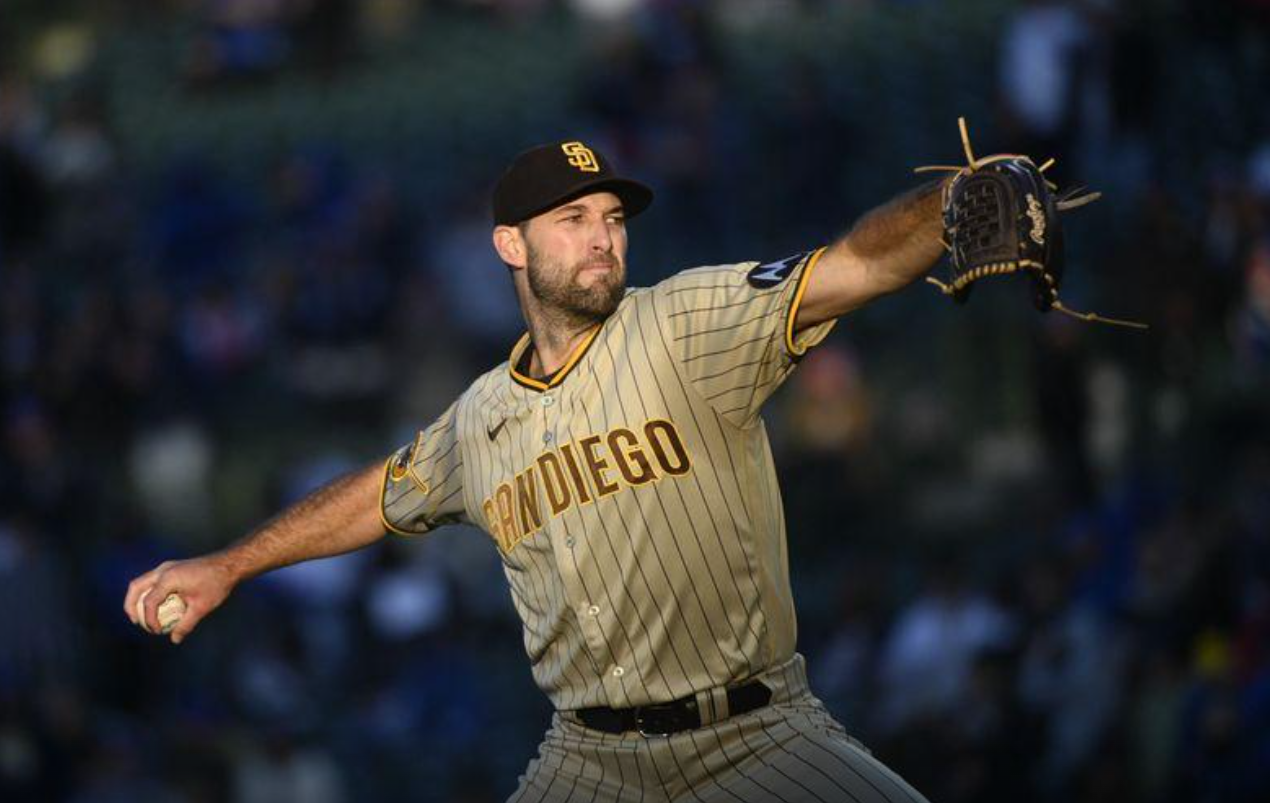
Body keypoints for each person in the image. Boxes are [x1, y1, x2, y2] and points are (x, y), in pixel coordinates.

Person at [126, 139, 945, 802]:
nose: (604, 236)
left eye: (614, 217)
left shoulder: (687, 321)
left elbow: (856, 266)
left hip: (756, 737)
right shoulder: (481, 418)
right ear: (510, 244)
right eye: (574, 217)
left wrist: (945, 209)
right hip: (589, 760)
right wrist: (228, 565)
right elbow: (374, 497)